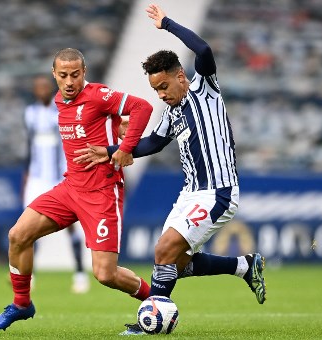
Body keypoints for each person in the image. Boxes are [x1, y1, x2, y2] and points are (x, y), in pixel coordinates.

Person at [73, 4, 266, 335]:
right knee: (174, 263)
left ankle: (147, 325)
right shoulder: (172, 114)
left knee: (163, 250)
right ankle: (245, 266)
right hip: (190, 194)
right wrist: (110, 151)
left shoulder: (205, 90)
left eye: (164, 87)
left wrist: (167, 24)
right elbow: (151, 144)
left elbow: (203, 49)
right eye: (155, 91)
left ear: (180, 76)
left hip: (218, 192)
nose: (161, 95)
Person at [0, 48, 153, 332]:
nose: (69, 82)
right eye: (63, 75)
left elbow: (142, 108)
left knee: (105, 274)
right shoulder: (58, 100)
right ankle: (21, 304)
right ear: (54, 74)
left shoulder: (99, 95)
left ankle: (157, 300)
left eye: (75, 75)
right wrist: (117, 127)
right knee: (18, 235)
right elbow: (103, 124)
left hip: (102, 192)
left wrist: (125, 148)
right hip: (70, 188)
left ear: (84, 72)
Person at [22, 74, 89, 294]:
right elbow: (29, 145)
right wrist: (26, 173)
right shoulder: (30, 113)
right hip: (36, 177)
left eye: (44, 86)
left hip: (59, 176)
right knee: (28, 227)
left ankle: (80, 273)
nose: (40, 90)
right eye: (37, 86)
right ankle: (28, 275)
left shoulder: (61, 111)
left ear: (50, 88)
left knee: (70, 226)